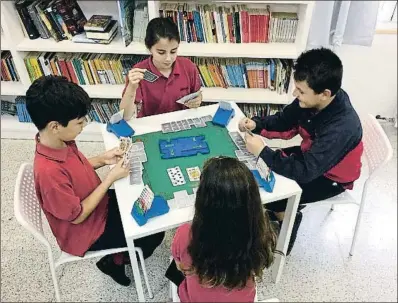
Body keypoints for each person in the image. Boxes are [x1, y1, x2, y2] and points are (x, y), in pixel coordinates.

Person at [26, 76, 165, 287]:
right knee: (153, 232)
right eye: (80, 122)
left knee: (143, 198)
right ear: (55, 126)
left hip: (97, 203)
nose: (85, 125)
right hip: (87, 230)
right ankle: (114, 261)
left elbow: (73, 171)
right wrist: (109, 178)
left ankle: (119, 255)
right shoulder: (48, 173)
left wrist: (102, 159)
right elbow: (78, 216)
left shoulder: (59, 141)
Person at [239, 47, 363, 255]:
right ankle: (282, 210)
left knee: (272, 193)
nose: (296, 94)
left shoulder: (342, 127)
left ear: (325, 94)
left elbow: (305, 171)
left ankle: (289, 218)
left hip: (331, 177)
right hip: (312, 156)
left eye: (301, 91)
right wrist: (256, 124)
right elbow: (284, 121)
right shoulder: (314, 99)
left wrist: (263, 151)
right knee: (261, 172)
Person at [167, 157, 279, 302]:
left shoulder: (185, 234)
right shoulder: (262, 232)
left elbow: (180, 266)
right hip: (244, 298)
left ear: (203, 201)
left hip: (194, 298)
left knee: (173, 270)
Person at [120, 17, 202, 119]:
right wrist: (131, 88)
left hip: (182, 122)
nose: (168, 58)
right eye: (161, 52)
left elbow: (197, 95)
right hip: (152, 126)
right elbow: (125, 117)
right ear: (149, 48)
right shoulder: (139, 71)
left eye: (173, 51)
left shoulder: (188, 66)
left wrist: (197, 100)